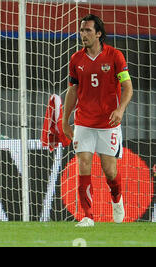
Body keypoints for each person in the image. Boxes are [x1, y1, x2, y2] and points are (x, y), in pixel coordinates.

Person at [62, 14, 133, 227]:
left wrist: (120, 110)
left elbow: (127, 87)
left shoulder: (115, 56)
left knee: (110, 171)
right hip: (83, 122)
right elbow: (72, 90)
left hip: (108, 124)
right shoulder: (76, 59)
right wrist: (66, 120)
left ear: (98, 33)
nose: (83, 35)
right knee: (83, 164)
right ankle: (87, 216)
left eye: (88, 31)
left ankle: (117, 199)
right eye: (81, 31)